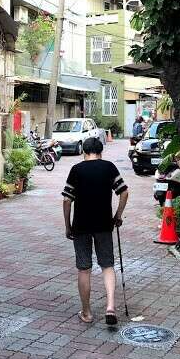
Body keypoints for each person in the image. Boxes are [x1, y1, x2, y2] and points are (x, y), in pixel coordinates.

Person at [62, 137, 128, 325]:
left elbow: (67, 200)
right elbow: (124, 191)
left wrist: (67, 225)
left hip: (81, 225)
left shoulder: (76, 169)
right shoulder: (109, 167)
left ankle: (87, 313)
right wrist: (118, 215)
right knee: (107, 265)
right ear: (100, 151)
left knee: (84, 268)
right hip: (104, 224)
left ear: (84, 151)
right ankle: (110, 307)